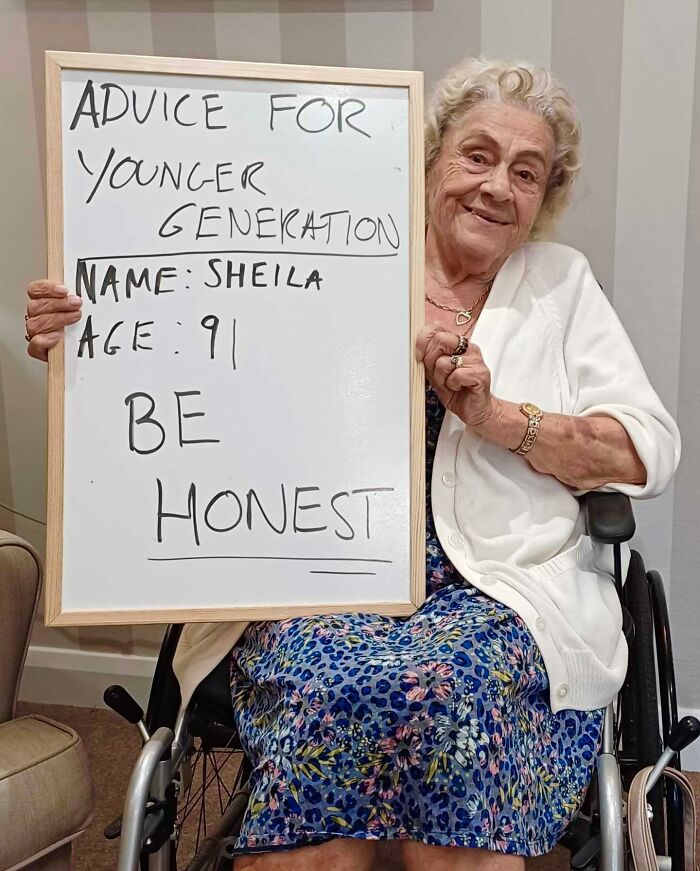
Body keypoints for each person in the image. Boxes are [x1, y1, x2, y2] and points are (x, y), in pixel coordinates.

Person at [26, 58, 680, 871]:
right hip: (316, 576)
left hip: (506, 590)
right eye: (476, 156)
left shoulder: (559, 287)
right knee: (335, 690)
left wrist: (497, 416)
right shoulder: (325, 251)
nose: (496, 186)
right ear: (431, 158)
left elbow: (642, 450)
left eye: (526, 172)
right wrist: (86, 345)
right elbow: (193, 364)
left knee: (450, 687)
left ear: (544, 199)